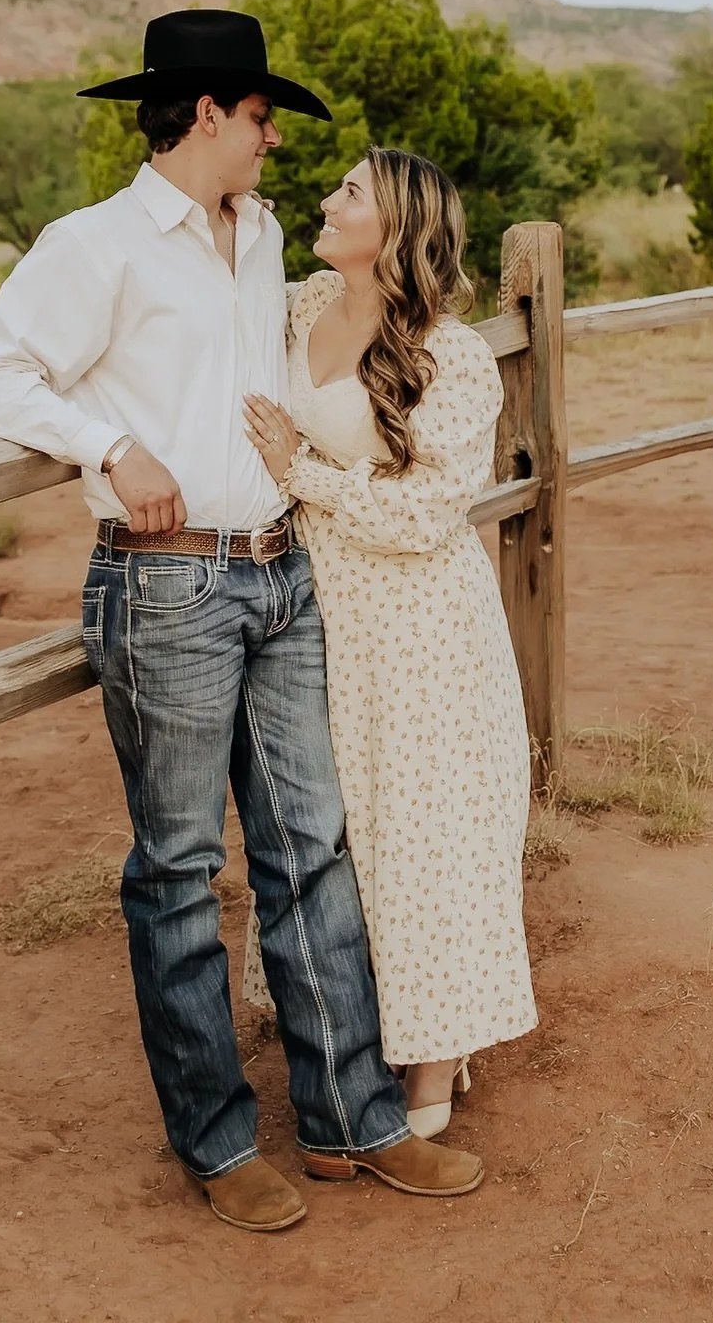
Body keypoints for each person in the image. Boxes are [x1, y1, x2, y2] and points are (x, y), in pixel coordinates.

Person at [0, 11, 484, 1233]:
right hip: (168, 581)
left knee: (312, 847)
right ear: (205, 114)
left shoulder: (264, 241)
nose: (275, 138)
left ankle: (355, 1119)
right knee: (183, 872)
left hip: (283, 571)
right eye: (260, 116)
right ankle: (219, 1139)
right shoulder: (95, 246)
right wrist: (108, 444)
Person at [243, 146, 537, 1137]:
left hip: (420, 625)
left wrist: (301, 472)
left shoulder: (451, 357)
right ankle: (353, 1027)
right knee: (338, 831)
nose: (328, 202)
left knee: (428, 835)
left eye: (352, 193)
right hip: (311, 608)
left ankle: (433, 1058)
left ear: (398, 226)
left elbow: (426, 515)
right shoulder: (297, 306)